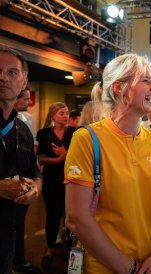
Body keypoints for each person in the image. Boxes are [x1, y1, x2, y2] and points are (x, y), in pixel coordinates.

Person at [64, 53, 151, 274]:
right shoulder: (87, 139)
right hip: (105, 267)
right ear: (119, 88)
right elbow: (76, 218)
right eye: (145, 81)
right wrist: (129, 268)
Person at [0, 46, 42, 274]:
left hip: (7, 238)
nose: (3, 77)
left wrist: (36, 187)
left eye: (12, 72)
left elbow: (35, 170)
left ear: (24, 80)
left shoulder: (22, 130)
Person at [36, 102, 75, 266]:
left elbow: (81, 154)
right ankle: (50, 246)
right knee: (52, 215)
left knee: (72, 217)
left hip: (72, 181)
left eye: (66, 113)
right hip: (51, 180)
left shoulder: (74, 132)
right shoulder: (43, 134)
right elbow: (40, 158)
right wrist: (58, 159)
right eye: (61, 113)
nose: (66, 116)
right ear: (53, 116)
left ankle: (73, 250)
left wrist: (67, 154)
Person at [13, 87, 42, 274]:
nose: (27, 103)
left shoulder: (23, 124)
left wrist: (37, 184)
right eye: (24, 99)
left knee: (18, 225)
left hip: (21, 187)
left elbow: (32, 162)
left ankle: (18, 260)